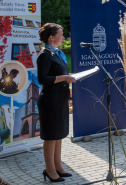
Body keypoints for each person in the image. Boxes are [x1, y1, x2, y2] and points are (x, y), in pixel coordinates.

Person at [37, 23, 76, 182]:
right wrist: (65, 78)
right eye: (61, 35)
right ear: (51, 38)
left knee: (58, 135)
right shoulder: (45, 55)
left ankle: (58, 166)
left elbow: (59, 74)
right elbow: (42, 79)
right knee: (51, 136)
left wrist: (69, 77)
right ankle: (49, 170)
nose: (63, 37)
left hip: (60, 99)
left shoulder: (58, 54)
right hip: (50, 100)